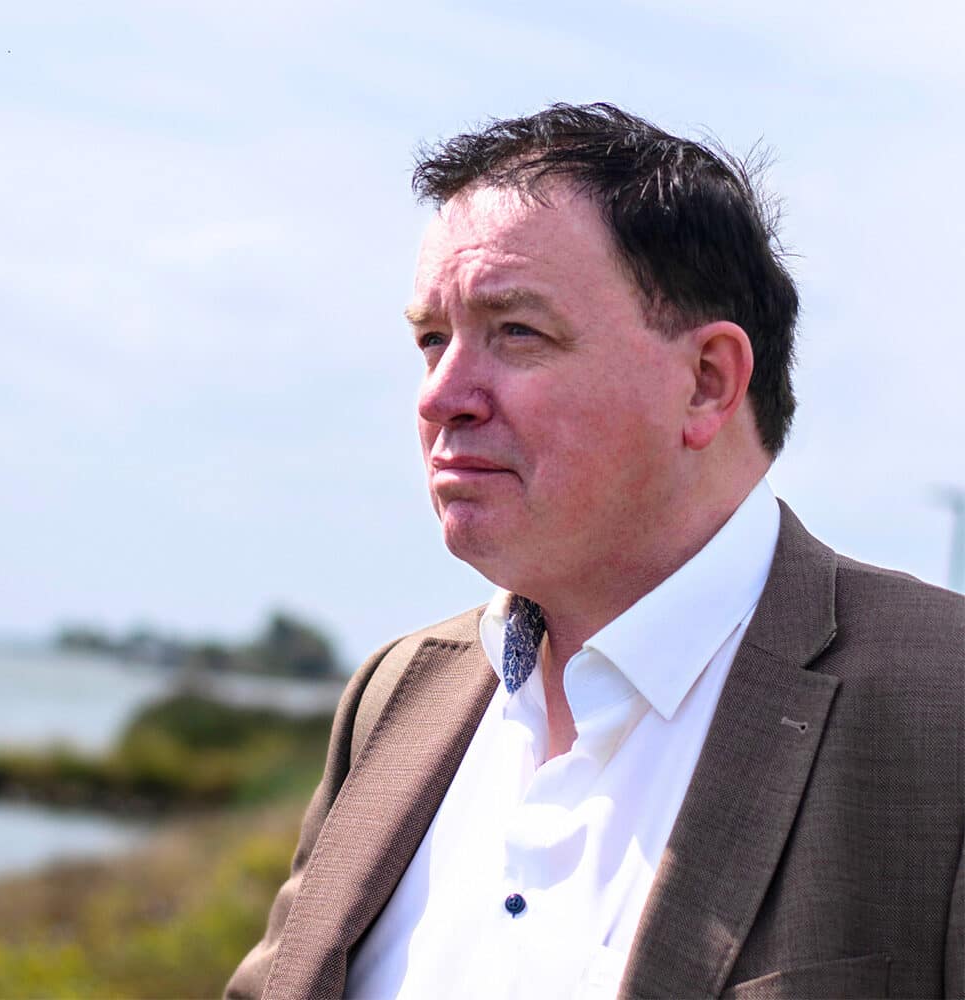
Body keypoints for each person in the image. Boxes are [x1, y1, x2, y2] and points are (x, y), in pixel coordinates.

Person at [226, 104, 963, 1000]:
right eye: (432, 340)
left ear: (707, 383)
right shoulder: (397, 692)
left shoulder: (944, 707)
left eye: (516, 331)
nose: (441, 395)